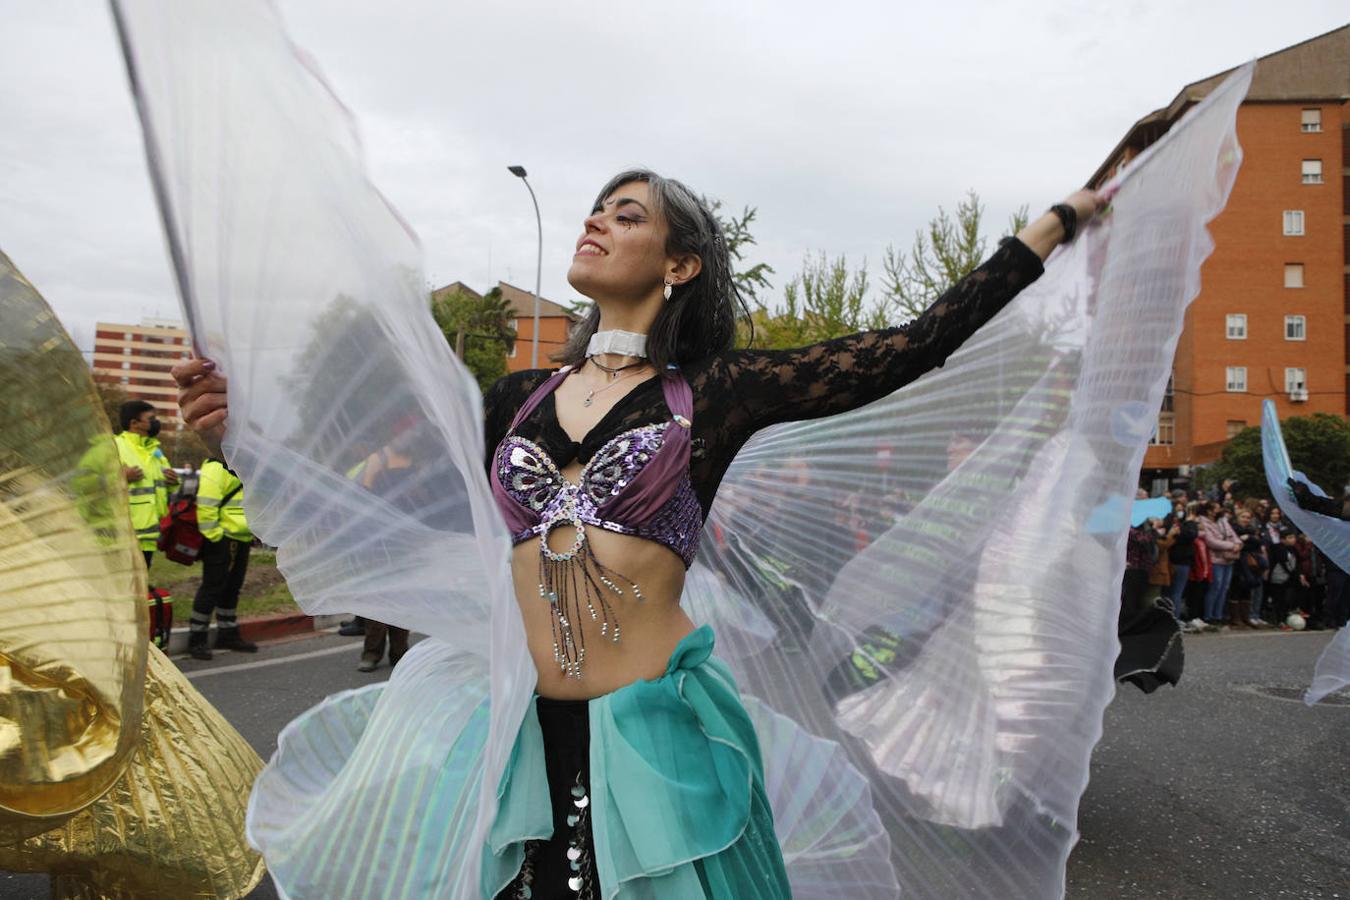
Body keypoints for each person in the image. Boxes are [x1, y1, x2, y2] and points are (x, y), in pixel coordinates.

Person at [175, 171, 1109, 897]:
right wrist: (241, 435)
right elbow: (383, 489)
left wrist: (1053, 225)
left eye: (626, 215)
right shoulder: (512, 400)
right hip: (515, 731)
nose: (596, 221)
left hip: (650, 737)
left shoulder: (715, 391)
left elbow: (912, 344)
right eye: (595, 210)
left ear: (679, 265)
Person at [188, 457, 258, 660]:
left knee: (232, 588)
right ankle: (197, 638)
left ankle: (227, 634)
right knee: (212, 587)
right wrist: (216, 538)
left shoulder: (240, 465)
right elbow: (206, 505)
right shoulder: (216, 466)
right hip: (223, 538)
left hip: (240, 536)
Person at [113, 399, 178, 568]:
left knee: (138, 591)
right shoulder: (115, 446)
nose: (156, 423)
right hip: (125, 537)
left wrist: (174, 481)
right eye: (151, 419)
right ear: (134, 423)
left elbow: (165, 485)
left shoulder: (155, 450)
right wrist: (120, 477)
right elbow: (88, 481)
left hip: (149, 536)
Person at [1198, 500, 1241, 625]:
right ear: (1209, 511)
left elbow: (1232, 534)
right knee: (1215, 587)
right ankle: (1208, 615)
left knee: (1224, 587)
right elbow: (1211, 541)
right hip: (1215, 559)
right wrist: (1232, 546)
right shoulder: (1203, 522)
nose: (1219, 510)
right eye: (1216, 508)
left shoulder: (1223, 521)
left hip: (1228, 559)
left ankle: (1218, 614)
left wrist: (1238, 543)